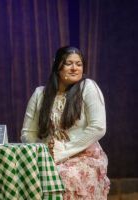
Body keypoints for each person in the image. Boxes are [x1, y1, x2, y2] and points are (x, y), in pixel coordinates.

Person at [21, 46, 110, 199]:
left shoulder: (88, 87)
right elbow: (28, 133)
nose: (75, 68)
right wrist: (44, 151)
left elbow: (98, 128)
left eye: (79, 64)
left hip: (84, 156)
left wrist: (64, 150)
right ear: (57, 66)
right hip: (49, 156)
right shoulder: (40, 94)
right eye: (69, 63)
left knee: (65, 176)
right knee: (26, 177)